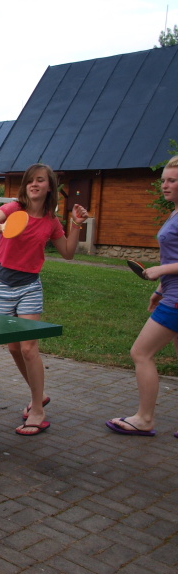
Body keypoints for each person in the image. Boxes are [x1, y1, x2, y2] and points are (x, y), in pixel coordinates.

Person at [0, 163, 89, 436]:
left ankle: (37, 409)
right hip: (1, 285)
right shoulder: (13, 209)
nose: (34, 184)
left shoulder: (51, 222)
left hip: (29, 286)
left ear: (50, 186)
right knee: (14, 348)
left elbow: (68, 253)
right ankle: (39, 394)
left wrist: (76, 224)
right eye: (30, 181)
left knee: (29, 348)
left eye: (40, 180)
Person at [106, 156, 178, 437]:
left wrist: (160, 271)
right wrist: (159, 290)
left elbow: (169, 263)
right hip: (170, 293)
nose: (165, 185)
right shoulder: (174, 213)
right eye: (163, 180)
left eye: (172, 180)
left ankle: (145, 419)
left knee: (141, 352)